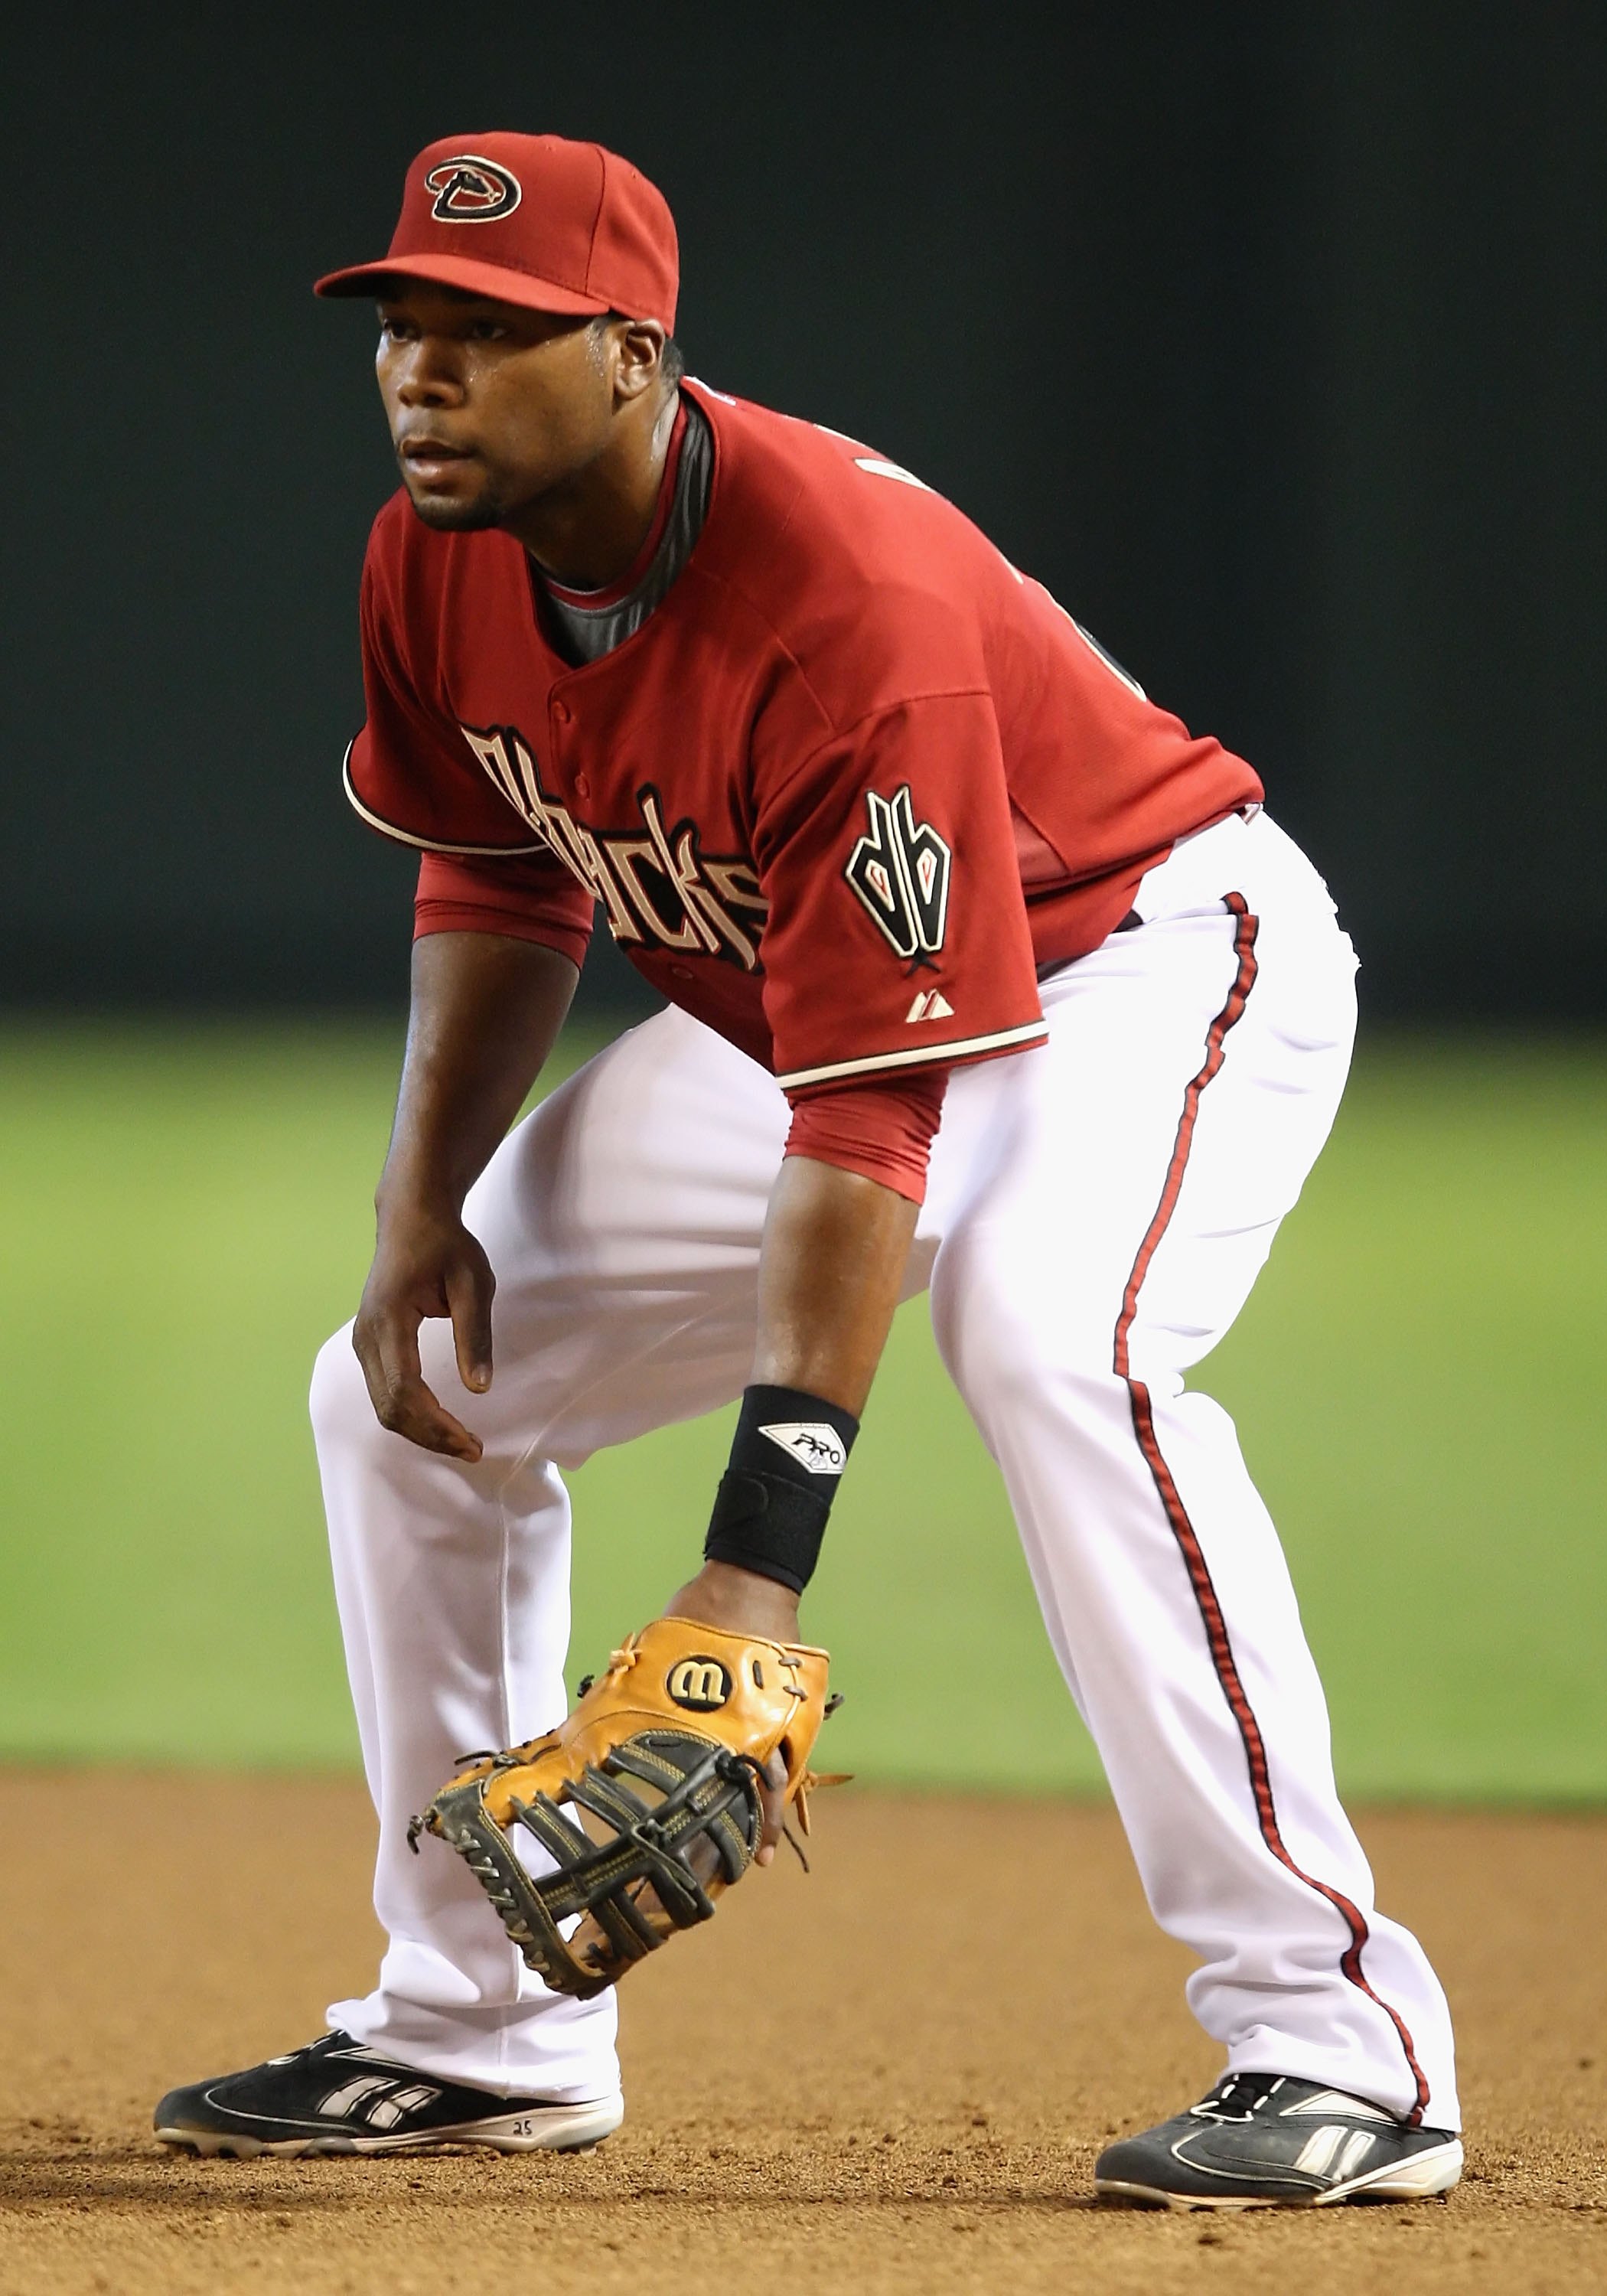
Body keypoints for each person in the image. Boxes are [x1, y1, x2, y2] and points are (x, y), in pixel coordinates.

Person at [154, 131, 1461, 2206]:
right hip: (827, 995)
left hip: (1143, 956)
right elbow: (498, 867)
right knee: (403, 1386)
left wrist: (758, 1556)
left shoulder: (842, 594)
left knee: (1054, 1346)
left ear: (634, 352)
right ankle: (486, 2028)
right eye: (403, 327)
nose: (423, 375)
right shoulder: (439, 547)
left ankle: (1339, 2041)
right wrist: (421, 1212)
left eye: (485, 335)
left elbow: (867, 1125)